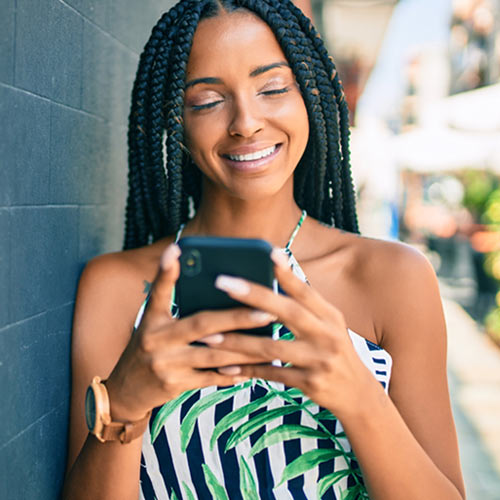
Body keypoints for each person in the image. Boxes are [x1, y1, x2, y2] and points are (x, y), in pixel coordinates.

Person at [62, 0, 466, 498]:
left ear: (310, 98)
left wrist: (358, 393)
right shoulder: (117, 288)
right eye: (208, 101)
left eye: (273, 88)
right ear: (178, 125)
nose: (246, 122)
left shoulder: (394, 277)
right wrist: (123, 404)